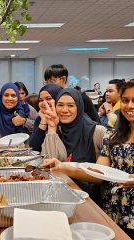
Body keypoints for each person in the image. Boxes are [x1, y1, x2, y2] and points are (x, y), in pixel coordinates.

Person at [41, 81, 134, 238]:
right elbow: (97, 174)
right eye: (125, 100)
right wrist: (62, 166)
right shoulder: (113, 136)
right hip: (113, 211)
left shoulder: (97, 132)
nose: (130, 105)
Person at [29, 84, 62, 152]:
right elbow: (33, 146)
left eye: (48, 98)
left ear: (58, 98)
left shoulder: (65, 117)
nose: (44, 103)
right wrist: (43, 121)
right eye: (41, 100)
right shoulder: (40, 118)